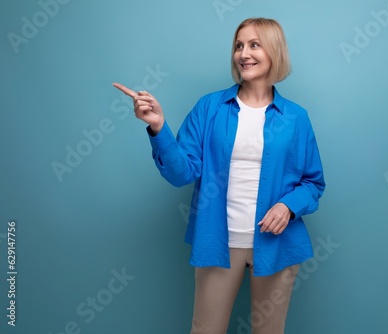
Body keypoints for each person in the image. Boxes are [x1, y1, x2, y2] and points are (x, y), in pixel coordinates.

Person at [113, 17, 325, 334]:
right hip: (218, 241)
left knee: (270, 330)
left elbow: (313, 183)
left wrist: (287, 206)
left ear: (274, 52)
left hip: (278, 245)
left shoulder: (296, 117)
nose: (243, 53)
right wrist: (158, 126)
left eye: (254, 45)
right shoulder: (209, 107)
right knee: (205, 329)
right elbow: (182, 172)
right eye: (239, 45)